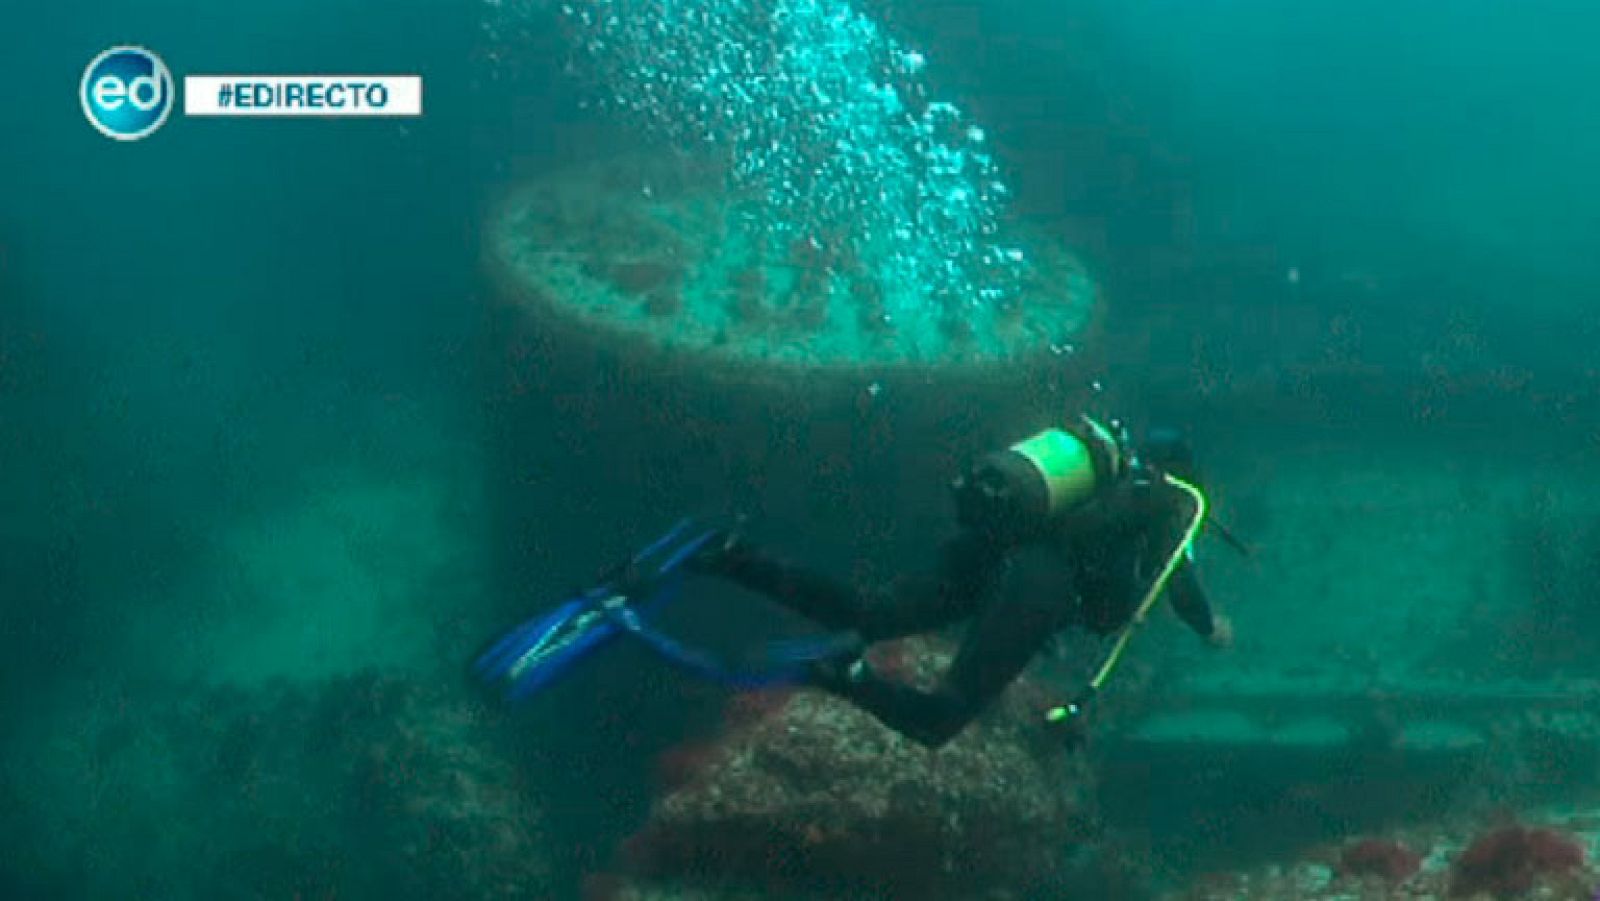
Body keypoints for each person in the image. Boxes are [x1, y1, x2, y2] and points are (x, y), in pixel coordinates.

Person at [682, 416, 1233, 749]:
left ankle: (733, 559)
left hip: (995, 548)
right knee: (940, 717)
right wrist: (1210, 629)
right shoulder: (1173, 501)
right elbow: (1175, 578)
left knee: (870, 613)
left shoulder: (1101, 477)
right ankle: (843, 672)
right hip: (1038, 584)